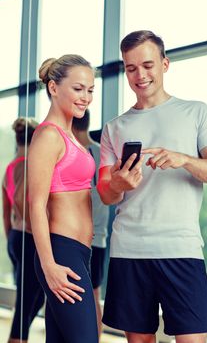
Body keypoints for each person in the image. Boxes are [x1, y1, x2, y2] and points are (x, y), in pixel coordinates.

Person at [97, 30, 207, 343]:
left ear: (165, 64)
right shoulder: (114, 128)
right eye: (131, 68)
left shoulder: (196, 112)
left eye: (147, 65)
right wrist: (118, 182)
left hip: (181, 248)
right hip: (129, 250)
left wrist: (184, 159)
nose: (140, 75)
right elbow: (105, 193)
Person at [27, 55, 98, 343]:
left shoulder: (70, 136)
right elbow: (35, 204)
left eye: (91, 90)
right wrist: (49, 265)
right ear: (54, 88)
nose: (86, 98)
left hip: (78, 253)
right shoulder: (48, 136)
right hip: (61, 253)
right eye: (79, 89)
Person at [2, 117, 45, 343]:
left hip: (16, 238)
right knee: (25, 303)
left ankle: (18, 337)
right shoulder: (32, 164)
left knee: (33, 299)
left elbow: (6, 212)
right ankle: (17, 338)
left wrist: (12, 241)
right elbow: (20, 201)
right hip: (28, 238)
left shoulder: (10, 168)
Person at [72, 109, 109, 338]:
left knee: (78, 296)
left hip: (79, 237)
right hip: (100, 237)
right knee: (93, 296)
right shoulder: (101, 153)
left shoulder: (76, 154)